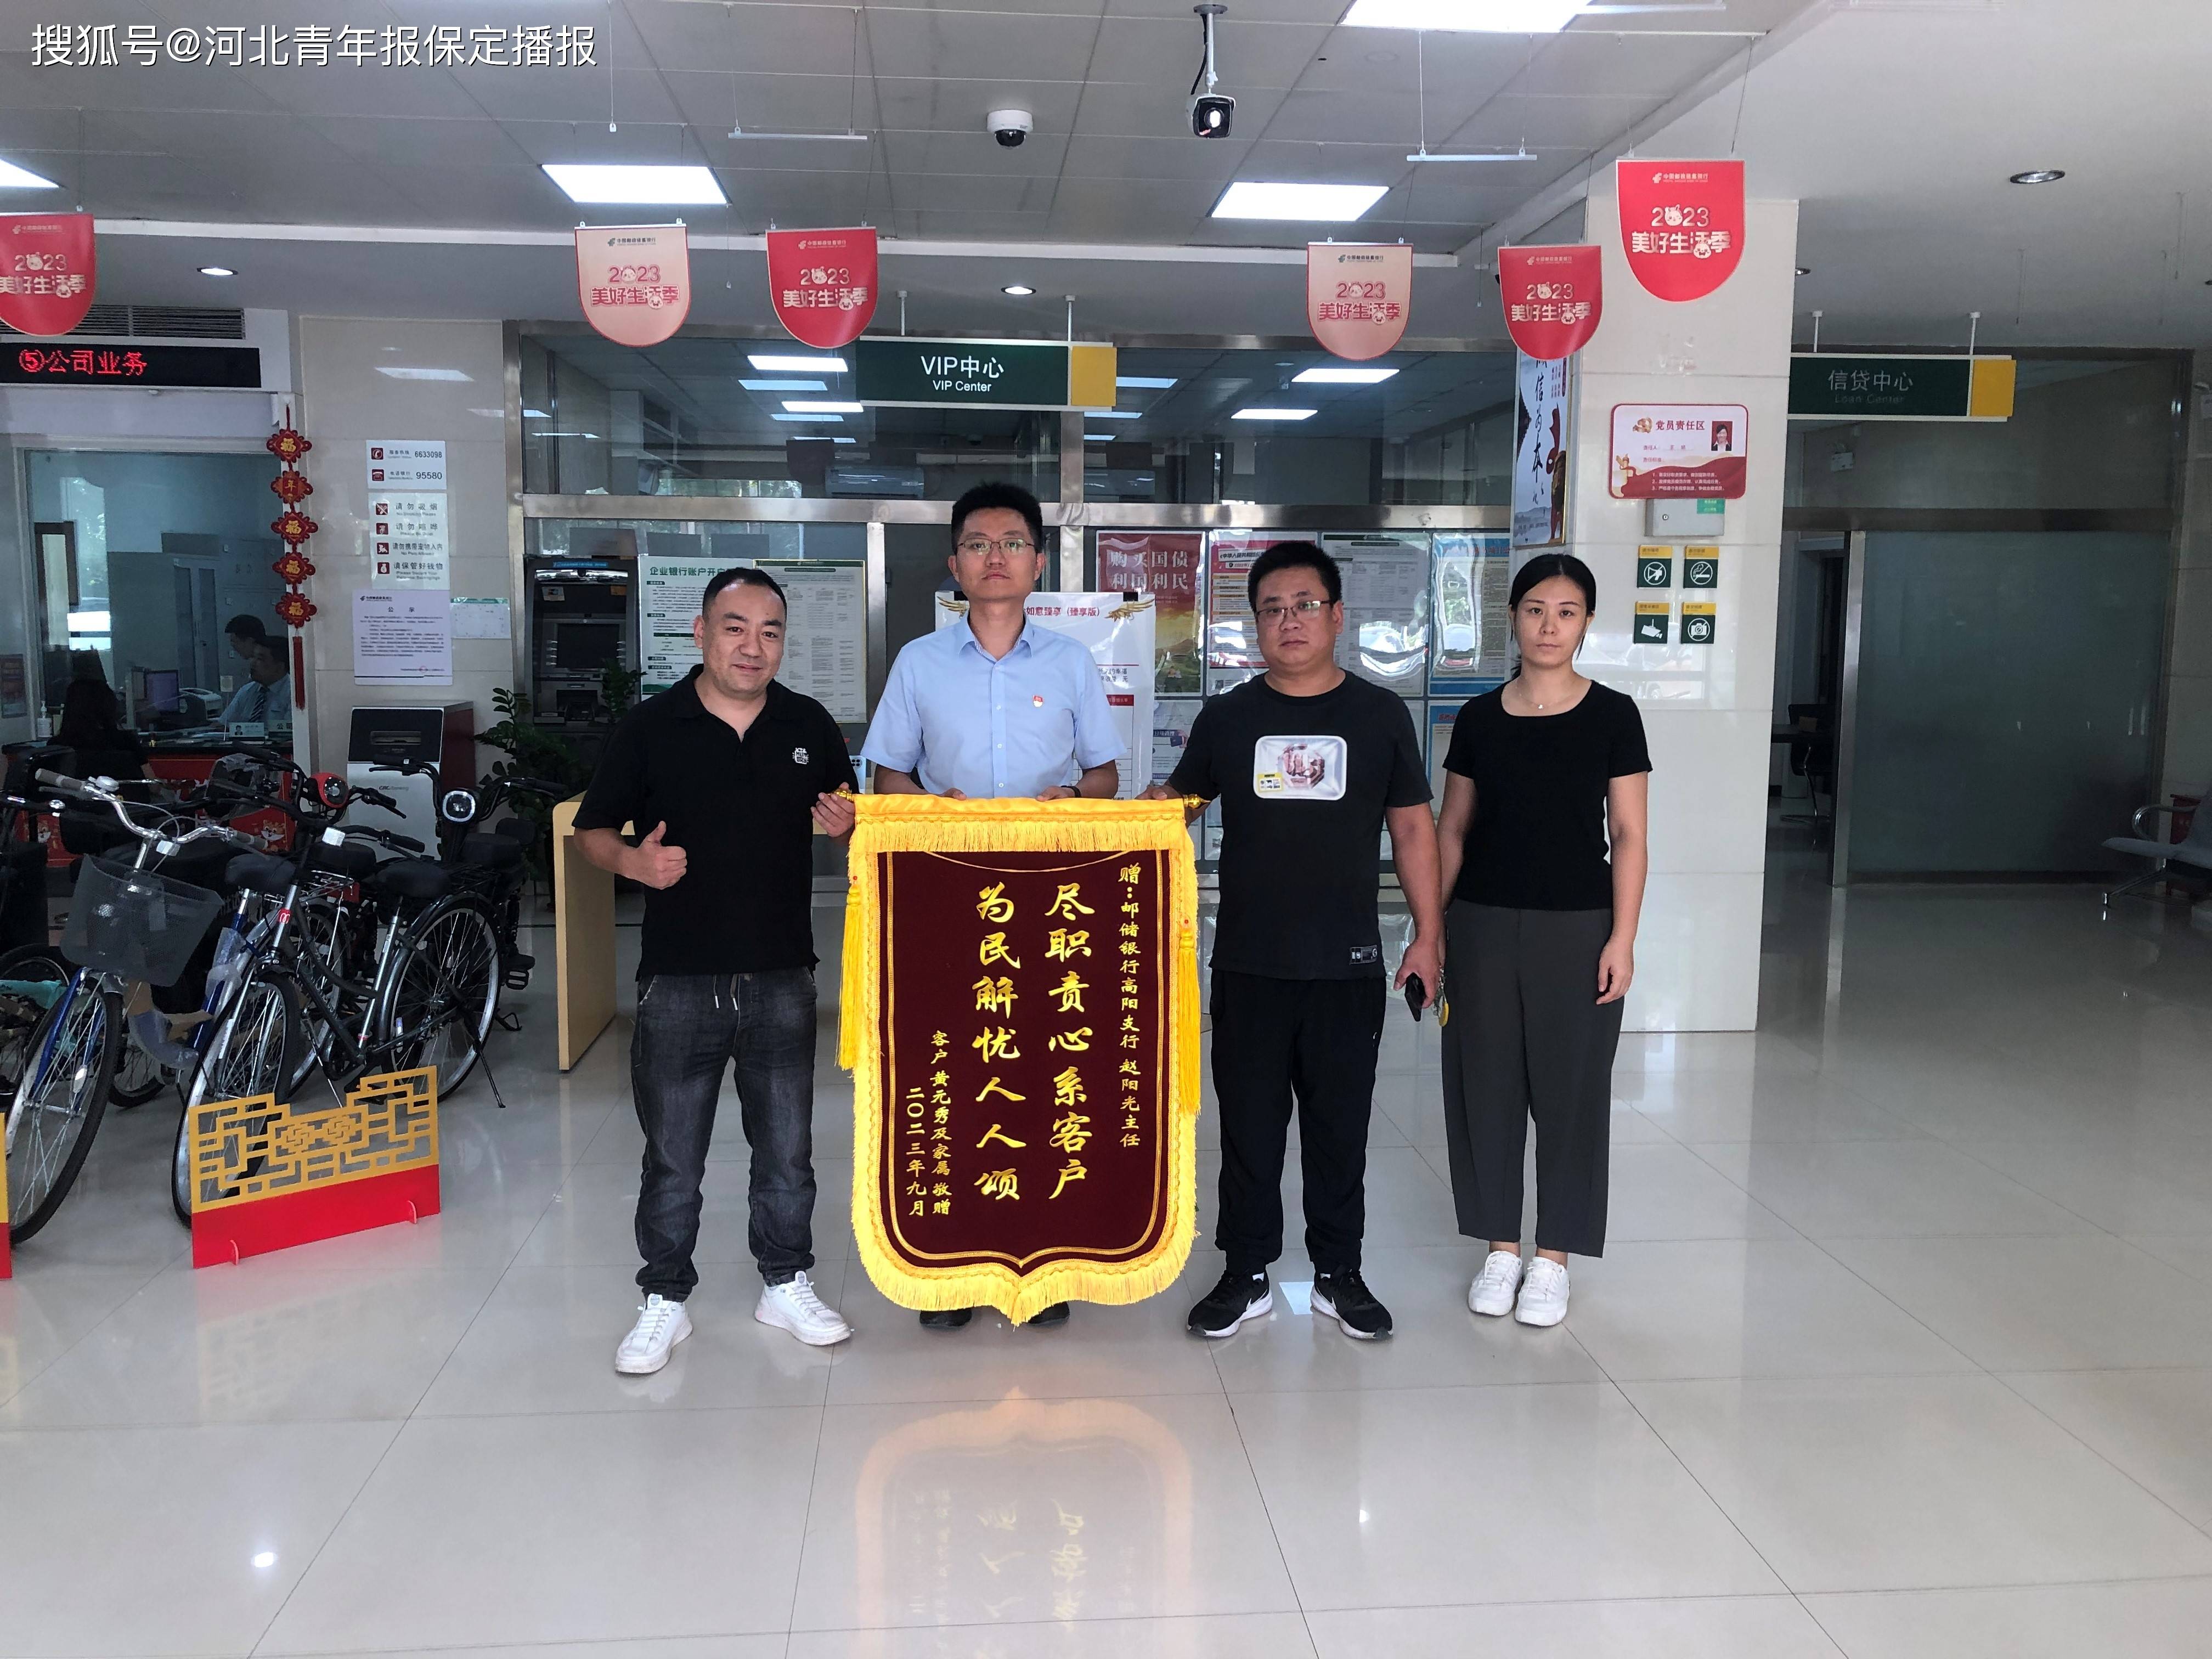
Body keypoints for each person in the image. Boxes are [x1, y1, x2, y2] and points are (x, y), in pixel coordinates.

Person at [1144, 542, 1442, 1342]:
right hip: (1249, 961)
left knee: (1340, 1130)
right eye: (1272, 609)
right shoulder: (1229, 717)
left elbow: (1414, 830)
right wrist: (1120, 814)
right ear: (1256, 626)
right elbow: (1179, 806)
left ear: (1338, 616)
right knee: (1249, 1130)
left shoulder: (1378, 715)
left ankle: (1339, 1274)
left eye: (1305, 605)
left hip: (1347, 964)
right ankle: (1245, 1273)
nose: (1289, 621)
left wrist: (1429, 937)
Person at [575, 566, 860, 1374]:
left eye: (770, 631)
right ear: (701, 633)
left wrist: (847, 825)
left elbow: (851, 821)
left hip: (782, 974)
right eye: (735, 628)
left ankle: (785, 1281)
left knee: (788, 1152)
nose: (752, 646)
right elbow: (591, 832)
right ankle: (664, 1298)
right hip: (679, 978)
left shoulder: (807, 724)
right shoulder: (650, 726)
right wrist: (634, 862)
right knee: (673, 1158)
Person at [861, 479, 1123, 1332]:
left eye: (1012, 543)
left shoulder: (1071, 663)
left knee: (1045, 1074)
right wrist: (929, 806)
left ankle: (1043, 1262)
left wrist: (1071, 797)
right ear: (955, 565)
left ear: (1038, 562)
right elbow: (888, 774)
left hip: (1052, 906)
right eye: (978, 544)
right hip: (950, 896)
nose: (996, 557)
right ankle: (955, 1269)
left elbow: (1105, 775)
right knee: (958, 1076)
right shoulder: (919, 662)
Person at [1434, 552, 1649, 1329]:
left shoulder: (1613, 715)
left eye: (1566, 612)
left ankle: (1553, 1256)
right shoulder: (1479, 718)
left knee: (1572, 1092)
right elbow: (1451, 830)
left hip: (1578, 927)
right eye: (1534, 610)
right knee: (1485, 1086)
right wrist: (1434, 929)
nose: (1549, 627)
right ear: (1513, 618)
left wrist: (1623, 938)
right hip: (1482, 925)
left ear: (1586, 622)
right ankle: (1501, 1248)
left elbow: (1629, 835)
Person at [53, 678, 145, 781]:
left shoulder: (56, 747)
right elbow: (152, 785)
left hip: (73, 792)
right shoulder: (127, 742)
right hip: (124, 792)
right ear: (109, 708)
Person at [219, 615, 270, 724]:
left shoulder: (286, 689)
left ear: (250, 641)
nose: (233, 647)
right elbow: (225, 722)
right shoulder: (248, 690)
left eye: (235, 642)